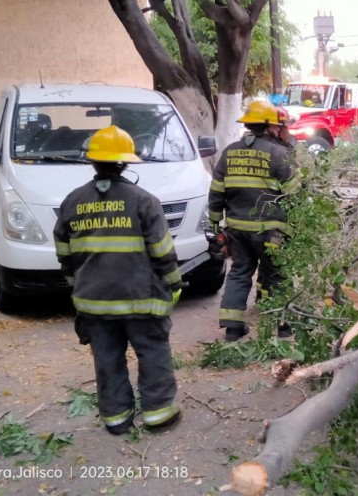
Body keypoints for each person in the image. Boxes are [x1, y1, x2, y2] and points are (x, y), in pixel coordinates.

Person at [53, 125, 183, 435]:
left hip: (93, 303)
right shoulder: (143, 200)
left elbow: (64, 253)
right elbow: (162, 251)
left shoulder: (73, 201)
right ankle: (158, 413)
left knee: (107, 358)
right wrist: (174, 284)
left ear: (93, 162)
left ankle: (116, 418)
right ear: (125, 162)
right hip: (141, 299)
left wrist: (78, 286)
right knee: (153, 351)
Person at [209, 101, 299, 342]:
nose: (283, 130)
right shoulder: (280, 154)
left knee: (239, 272)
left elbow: (216, 191)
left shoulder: (230, 152)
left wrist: (215, 224)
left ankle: (233, 328)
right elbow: (295, 194)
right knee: (276, 274)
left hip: (237, 229)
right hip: (272, 231)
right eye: (280, 126)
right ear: (270, 127)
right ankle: (282, 326)